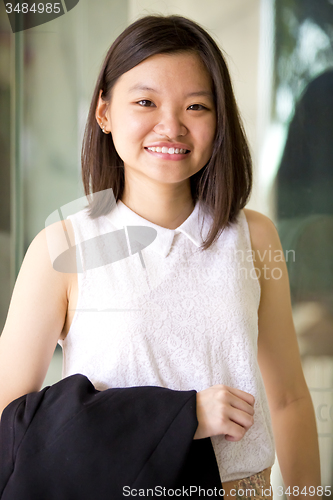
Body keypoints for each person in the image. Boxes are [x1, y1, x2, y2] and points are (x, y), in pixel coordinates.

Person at [0, 14, 321, 499]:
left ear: (219, 120)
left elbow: (290, 400)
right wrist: (182, 416)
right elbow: (10, 419)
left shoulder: (255, 237)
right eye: (145, 102)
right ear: (104, 113)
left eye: (196, 106)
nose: (170, 126)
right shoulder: (61, 247)